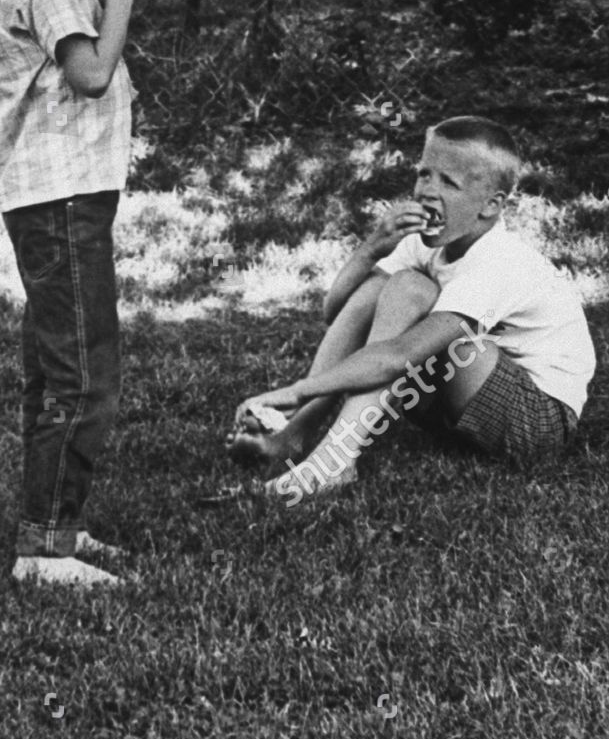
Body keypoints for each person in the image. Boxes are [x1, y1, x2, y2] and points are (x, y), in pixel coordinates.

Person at [0, 0, 150, 586]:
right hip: (60, 194)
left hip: (51, 190)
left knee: (56, 367)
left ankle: (56, 530)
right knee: (83, 373)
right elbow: (90, 73)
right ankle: (41, 551)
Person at [228, 117, 596, 504]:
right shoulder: (429, 240)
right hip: (461, 406)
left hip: (535, 422)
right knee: (396, 287)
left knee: (428, 315)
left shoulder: (500, 261)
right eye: (424, 174)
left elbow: (399, 357)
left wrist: (295, 391)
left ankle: (333, 461)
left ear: (491, 206)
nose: (427, 192)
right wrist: (372, 247)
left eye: (449, 183)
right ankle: (293, 435)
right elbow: (337, 312)